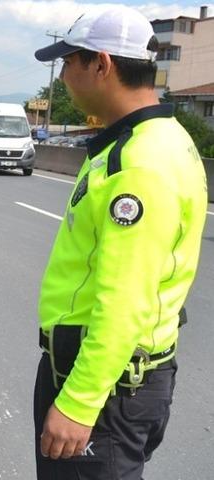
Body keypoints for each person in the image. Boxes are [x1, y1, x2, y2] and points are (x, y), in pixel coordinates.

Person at [32, 6, 207, 479]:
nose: (64, 75)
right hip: (113, 377)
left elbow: (125, 298)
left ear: (102, 65)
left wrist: (80, 402)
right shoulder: (156, 138)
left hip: (104, 386)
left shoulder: (139, 162)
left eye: (69, 62)